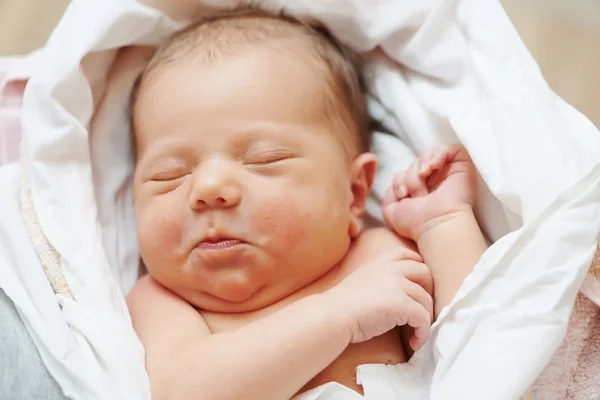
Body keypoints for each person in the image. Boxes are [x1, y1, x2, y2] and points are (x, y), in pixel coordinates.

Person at [127, 7, 488, 399]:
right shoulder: (161, 300)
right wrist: (337, 315)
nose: (208, 187)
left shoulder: (379, 258)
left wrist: (444, 224)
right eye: (169, 175)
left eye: (264, 159)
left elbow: (482, 344)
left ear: (354, 194)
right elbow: (183, 392)